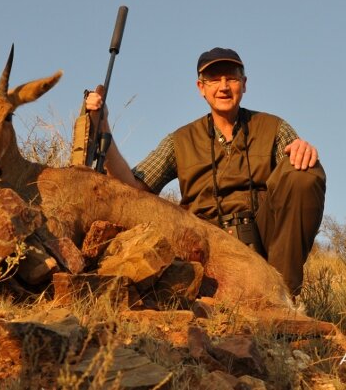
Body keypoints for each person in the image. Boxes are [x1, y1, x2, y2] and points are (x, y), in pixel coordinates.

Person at [85, 47, 326, 295]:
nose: (223, 87)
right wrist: (103, 127)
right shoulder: (179, 140)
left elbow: (294, 175)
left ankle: (284, 295)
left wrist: (302, 149)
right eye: (214, 80)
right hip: (206, 243)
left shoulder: (274, 127)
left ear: (244, 84)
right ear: (201, 88)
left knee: (304, 172)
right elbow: (132, 187)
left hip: (262, 240)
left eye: (231, 78)